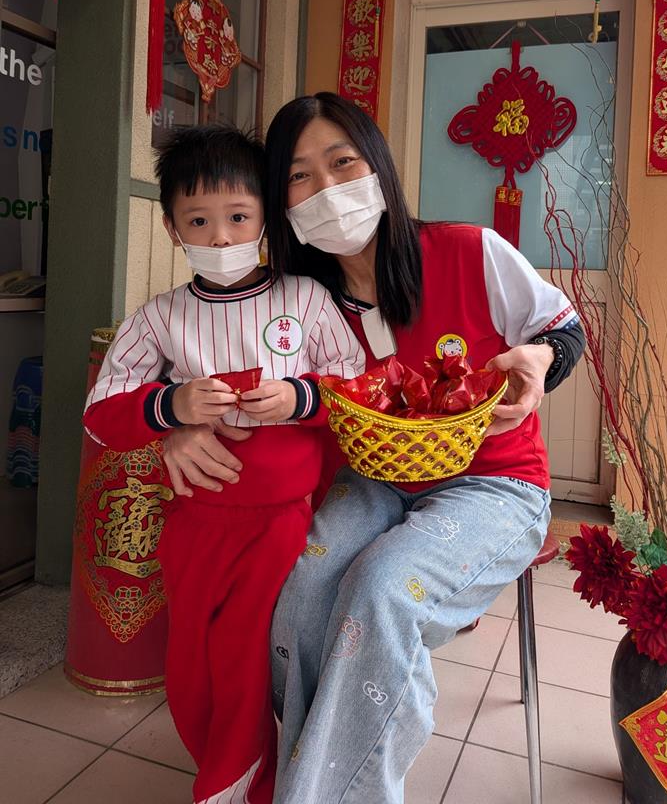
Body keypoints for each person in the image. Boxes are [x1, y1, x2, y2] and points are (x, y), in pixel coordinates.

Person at [162, 94, 585, 804]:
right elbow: (212, 371)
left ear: (379, 166)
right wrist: (179, 422)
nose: (325, 189)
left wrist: (541, 359)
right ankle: (316, 774)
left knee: (382, 589)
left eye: (342, 163)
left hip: (495, 484)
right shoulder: (296, 302)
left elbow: (563, 330)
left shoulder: (470, 252)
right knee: (299, 596)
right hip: (373, 480)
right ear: (279, 202)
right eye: (299, 176)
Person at [82, 125, 364, 804]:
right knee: (189, 663)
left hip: (279, 522)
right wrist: (171, 405)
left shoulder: (306, 299)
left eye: (238, 217)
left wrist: (299, 397)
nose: (219, 236)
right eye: (198, 221)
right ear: (172, 228)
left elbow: (358, 385)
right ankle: (224, 771)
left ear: (266, 215)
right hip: (194, 523)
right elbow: (100, 412)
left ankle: (235, 787)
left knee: (242, 656)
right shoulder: (160, 318)